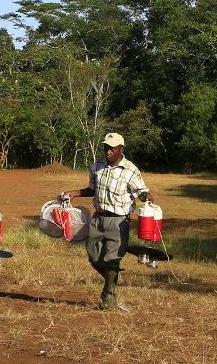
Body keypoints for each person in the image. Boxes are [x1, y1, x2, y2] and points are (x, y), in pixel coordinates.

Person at [60, 132, 154, 311]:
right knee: (94, 257)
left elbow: (140, 192)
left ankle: (108, 296)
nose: (108, 151)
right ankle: (112, 282)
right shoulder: (97, 167)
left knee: (112, 259)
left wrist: (145, 196)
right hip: (98, 218)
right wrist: (73, 193)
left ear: (121, 149)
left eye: (112, 148)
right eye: (106, 147)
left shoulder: (130, 170)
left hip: (119, 221)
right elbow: (91, 190)